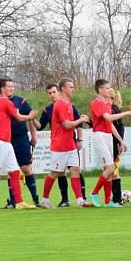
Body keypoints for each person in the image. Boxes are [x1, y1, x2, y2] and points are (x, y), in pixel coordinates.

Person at [0, 77, 38, 211]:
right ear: (2, 88)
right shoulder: (4, 101)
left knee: (14, 172)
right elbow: (19, 117)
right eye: (9, 86)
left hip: (6, 142)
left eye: (12, 86)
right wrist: (30, 116)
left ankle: (19, 201)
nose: (11, 88)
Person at [40, 78, 92, 208]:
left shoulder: (68, 103)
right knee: (55, 173)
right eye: (71, 87)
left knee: (75, 170)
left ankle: (80, 200)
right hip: (59, 145)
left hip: (70, 144)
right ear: (63, 88)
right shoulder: (60, 104)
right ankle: (45, 199)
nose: (73, 89)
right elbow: (67, 125)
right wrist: (81, 120)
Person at [88, 79, 131, 208]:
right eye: (107, 88)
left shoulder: (107, 104)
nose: (110, 90)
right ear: (100, 90)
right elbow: (109, 118)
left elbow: (110, 125)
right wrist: (127, 113)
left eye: (110, 88)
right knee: (111, 168)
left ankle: (107, 201)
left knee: (109, 171)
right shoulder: (96, 103)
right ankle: (94, 193)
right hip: (99, 136)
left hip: (108, 137)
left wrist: (121, 141)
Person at [109, 88, 127, 204]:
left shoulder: (114, 110)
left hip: (114, 143)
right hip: (110, 143)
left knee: (114, 170)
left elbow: (120, 127)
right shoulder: (110, 109)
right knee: (111, 170)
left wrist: (120, 143)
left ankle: (117, 198)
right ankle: (115, 198)